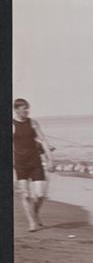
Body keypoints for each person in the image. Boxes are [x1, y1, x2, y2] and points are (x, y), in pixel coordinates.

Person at [12, 98, 54, 231]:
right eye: (24, 109)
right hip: (20, 164)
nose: (26, 111)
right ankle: (31, 222)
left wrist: (50, 160)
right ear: (16, 110)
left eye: (27, 108)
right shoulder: (12, 125)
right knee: (25, 195)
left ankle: (35, 213)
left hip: (35, 162)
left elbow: (43, 141)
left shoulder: (33, 123)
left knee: (40, 195)